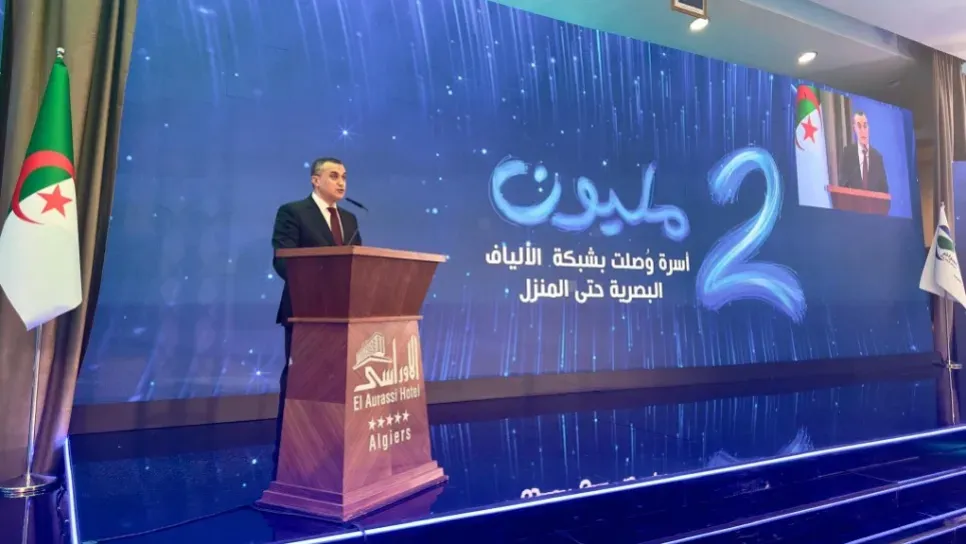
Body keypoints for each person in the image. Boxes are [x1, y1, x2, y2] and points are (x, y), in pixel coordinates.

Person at [269, 157, 362, 478]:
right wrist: (319, 284)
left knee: (340, 381)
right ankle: (289, 448)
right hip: (305, 312)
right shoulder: (293, 212)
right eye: (333, 175)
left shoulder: (349, 219)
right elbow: (282, 260)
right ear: (315, 179)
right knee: (300, 380)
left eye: (344, 176)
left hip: (344, 313)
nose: (341, 182)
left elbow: (358, 264)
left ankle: (334, 444)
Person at [837, 111, 889, 194]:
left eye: (865, 126)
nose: (863, 130)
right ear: (854, 129)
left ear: (868, 128)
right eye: (859, 126)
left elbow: (884, 191)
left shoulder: (877, 157)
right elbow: (842, 185)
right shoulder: (848, 154)